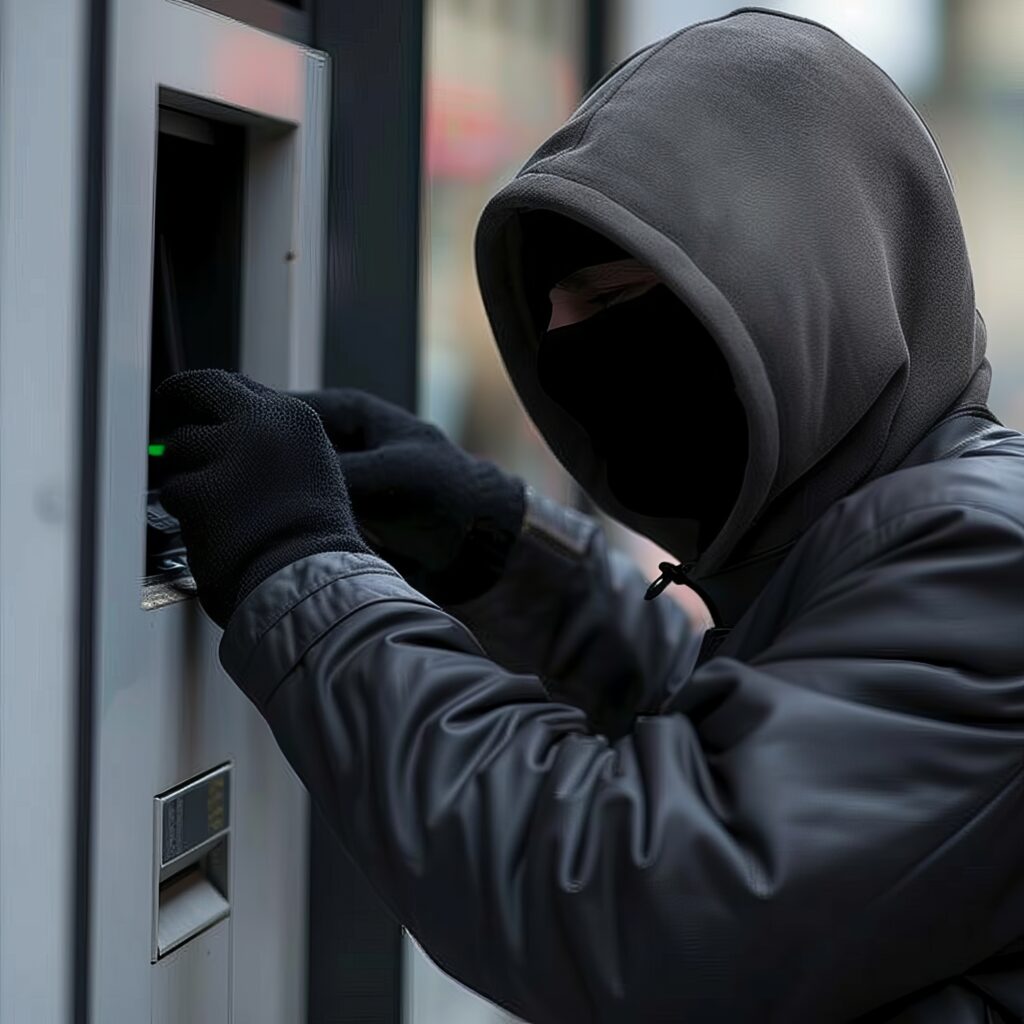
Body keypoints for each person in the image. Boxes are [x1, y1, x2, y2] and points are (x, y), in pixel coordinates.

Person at [154, 10, 1024, 1023]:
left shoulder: (985, 560)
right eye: (553, 320)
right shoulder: (891, 534)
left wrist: (295, 563)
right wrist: (503, 551)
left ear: (801, 300)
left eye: (612, 303)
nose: (574, 363)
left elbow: (634, 890)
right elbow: (762, 761)